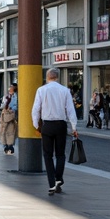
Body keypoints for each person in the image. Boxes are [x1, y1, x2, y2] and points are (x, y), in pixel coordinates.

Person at [31, 68, 79, 196]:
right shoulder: (64, 90)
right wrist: (74, 128)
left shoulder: (41, 90)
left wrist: (36, 125)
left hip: (47, 125)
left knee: (47, 155)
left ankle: (51, 183)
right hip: (61, 125)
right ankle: (58, 178)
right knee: (60, 154)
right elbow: (70, 110)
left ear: (47, 77)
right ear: (57, 77)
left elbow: (36, 109)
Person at [0, 82, 18, 154]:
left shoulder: (16, 96)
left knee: (11, 131)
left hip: (11, 116)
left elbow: (15, 106)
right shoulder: (6, 96)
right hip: (5, 116)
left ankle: (10, 145)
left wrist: (10, 109)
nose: (10, 88)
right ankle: (5, 145)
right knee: (3, 131)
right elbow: (3, 105)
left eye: (11, 87)